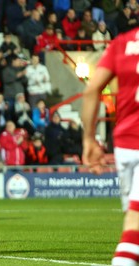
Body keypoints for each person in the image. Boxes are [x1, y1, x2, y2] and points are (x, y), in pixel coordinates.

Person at [81, 26, 139, 265]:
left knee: (133, 221)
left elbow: (92, 90)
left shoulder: (122, 42)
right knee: (134, 227)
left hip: (125, 145)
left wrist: (88, 140)